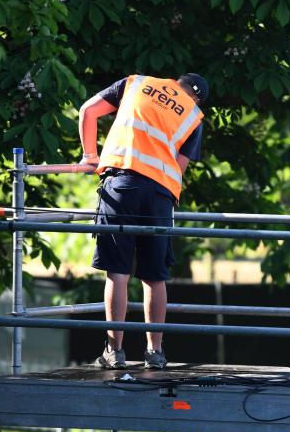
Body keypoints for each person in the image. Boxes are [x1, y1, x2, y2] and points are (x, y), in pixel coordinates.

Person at [78, 72, 209, 369]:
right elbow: (178, 168)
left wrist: (90, 156)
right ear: (196, 97)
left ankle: (115, 352)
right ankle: (155, 353)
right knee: (155, 277)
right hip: (160, 196)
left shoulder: (136, 83)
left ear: (177, 82)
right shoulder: (193, 116)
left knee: (118, 272)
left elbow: (88, 111)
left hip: (121, 183)